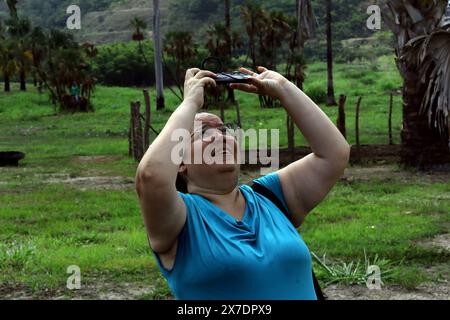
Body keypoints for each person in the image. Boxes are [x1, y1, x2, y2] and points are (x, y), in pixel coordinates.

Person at [135, 66, 350, 300]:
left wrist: (285, 89)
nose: (220, 137)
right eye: (204, 133)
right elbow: (151, 176)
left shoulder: (272, 197)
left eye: (225, 130)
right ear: (181, 161)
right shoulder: (179, 218)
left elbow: (334, 153)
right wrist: (190, 103)